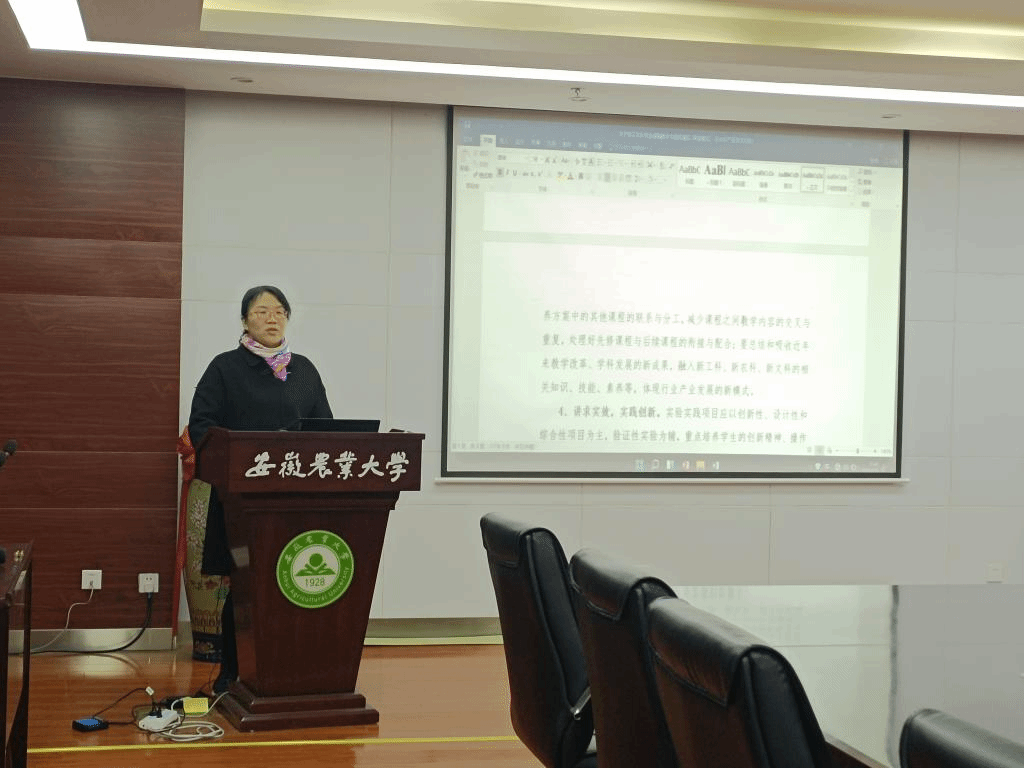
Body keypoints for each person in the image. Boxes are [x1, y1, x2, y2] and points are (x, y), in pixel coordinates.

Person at [188, 285, 333, 692]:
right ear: (244, 320)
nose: (272, 318)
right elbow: (202, 427)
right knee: (245, 586)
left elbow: (324, 429)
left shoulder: (302, 371)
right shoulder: (225, 368)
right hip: (241, 502)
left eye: (280, 311)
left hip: (295, 502)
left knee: (293, 582)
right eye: (262, 311)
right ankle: (233, 673)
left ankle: (293, 672)